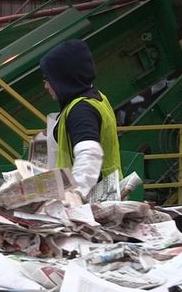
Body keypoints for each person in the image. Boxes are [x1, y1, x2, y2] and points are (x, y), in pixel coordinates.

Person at [39, 39, 121, 198]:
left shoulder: (81, 110)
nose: (46, 86)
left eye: (48, 79)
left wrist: (76, 196)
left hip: (91, 204)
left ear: (63, 77)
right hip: (107, 195)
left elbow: (89, 154)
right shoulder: (97, 98)